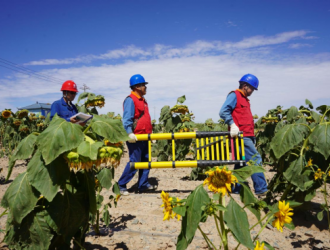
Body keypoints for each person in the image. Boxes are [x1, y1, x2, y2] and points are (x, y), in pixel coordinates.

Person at [219, 73, 268, 197]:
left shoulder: (245, 99)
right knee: (255, 160)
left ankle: (236, 188)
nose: (252, 91)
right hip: (241, 136)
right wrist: (232, 124)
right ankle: (262, 189)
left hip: (247, 135)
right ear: (245, 86)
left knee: (241, 163)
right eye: (252, 88)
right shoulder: (234, 95)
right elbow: (223, 111)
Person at [118, 74, 157, 196]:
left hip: (145, 136)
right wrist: (129, 133)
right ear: (136, 87)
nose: (145, 87)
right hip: (135, 137)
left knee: (146, 161)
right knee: (135, 162)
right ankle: (121, 185)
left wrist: (151, 134)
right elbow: (127, 119)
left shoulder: (143, 100)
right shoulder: (130, 100)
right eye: (143, 85)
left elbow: (145, 118)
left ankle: (143, 185)